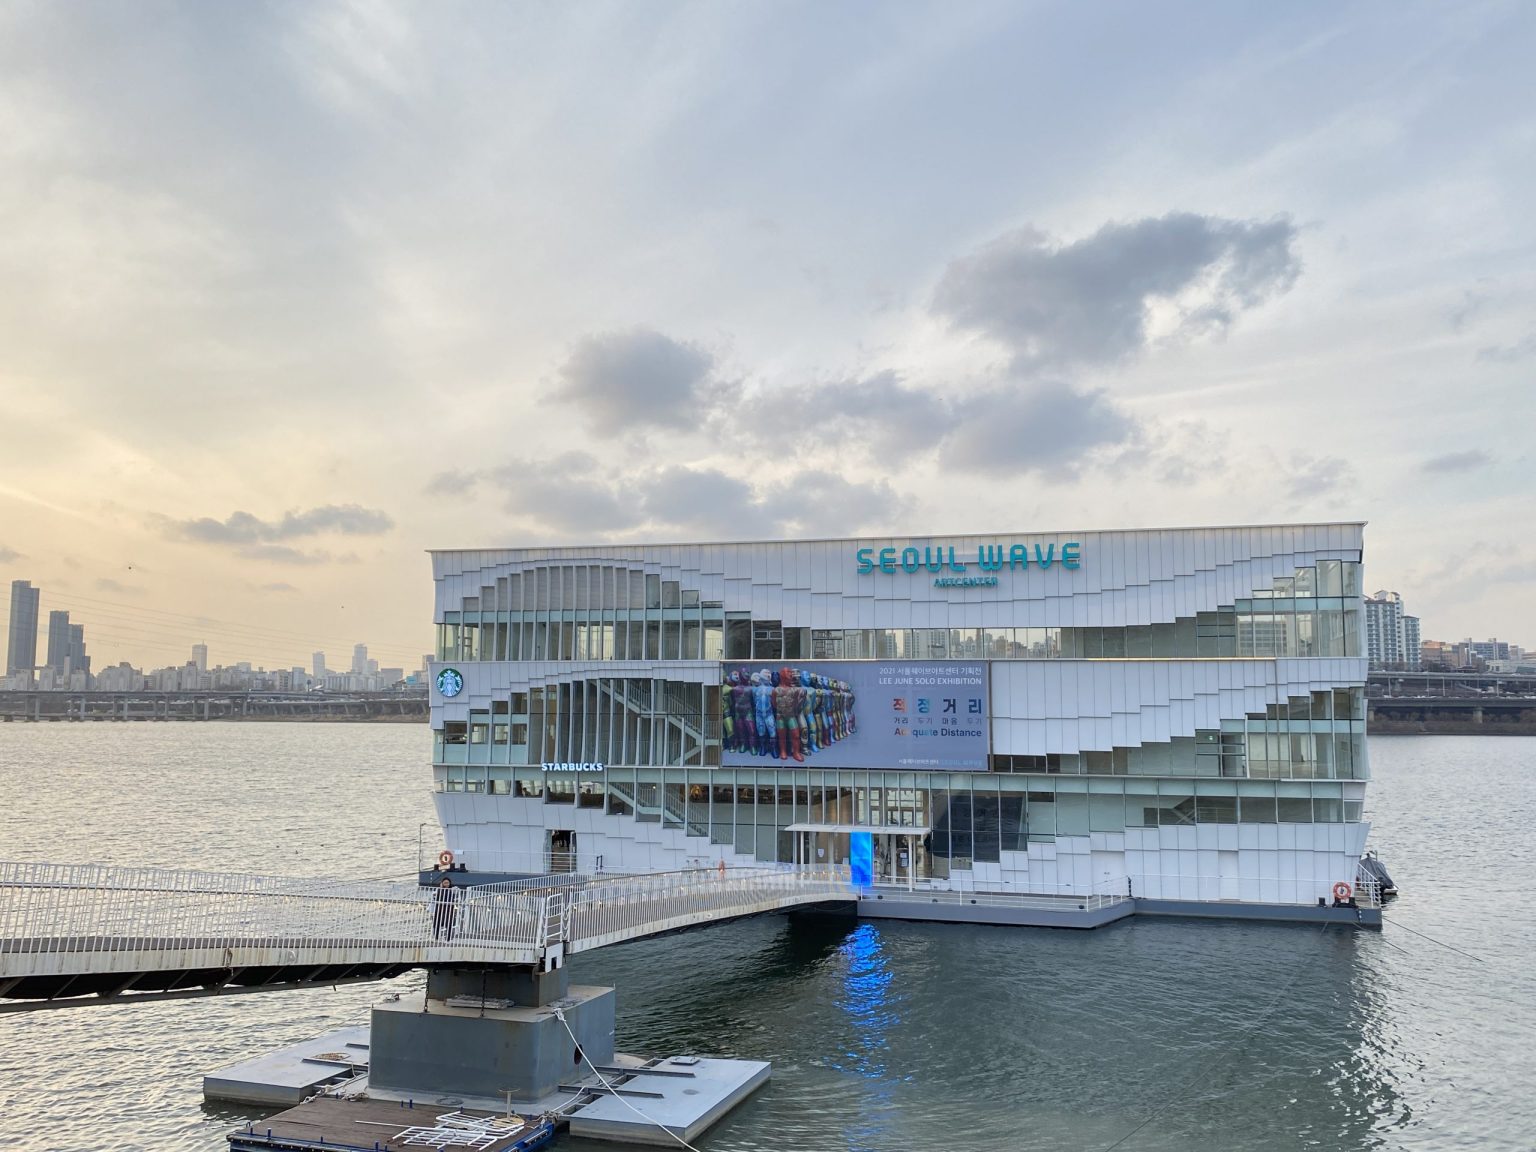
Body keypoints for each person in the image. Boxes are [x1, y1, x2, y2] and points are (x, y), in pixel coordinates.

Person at [432, 876, 459, 941]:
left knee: (448, 924)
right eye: (445, 883)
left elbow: (457, 892)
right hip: (439, 910)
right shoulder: (439, 890)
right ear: (442, 883)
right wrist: (441, 888)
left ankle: (448, 939)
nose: (446, 884)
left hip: (448, 910)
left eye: (448, 883)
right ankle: (436, 938)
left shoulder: (452, 890)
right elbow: (435, 898)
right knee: (436, 924)